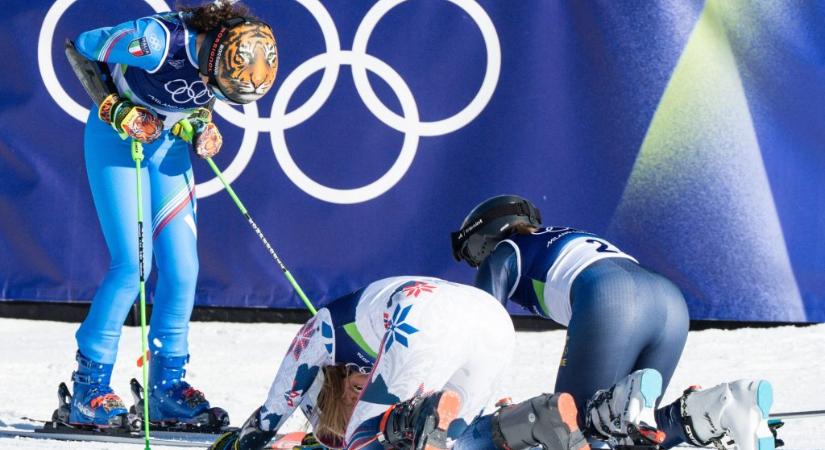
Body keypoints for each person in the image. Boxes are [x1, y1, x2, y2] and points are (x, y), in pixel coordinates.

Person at [64, 0, 279, 429]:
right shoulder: (156, 42)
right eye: (215, 84)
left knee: (183, 270)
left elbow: (199, 97)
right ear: (213, 52)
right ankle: (88, 387)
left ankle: (166, 388)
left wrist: (199, 122)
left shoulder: (224, 56)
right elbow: (81, 48)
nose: (212, 91)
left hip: (168, 149)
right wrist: (117, 109)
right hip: (116, 144)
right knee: (134, 267)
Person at [450, 195, 777, 450]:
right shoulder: (560, 234)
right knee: (632, 430)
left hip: (611, 299)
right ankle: (723, 405)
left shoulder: (503, 252)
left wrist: (463, 413)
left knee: (570, 429)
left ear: (482, 237)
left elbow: (482, 331)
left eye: (471, 254)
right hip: (669, 302)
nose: (475, 262)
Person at [209, 276, 592, 450]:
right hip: (492, 320)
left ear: (327, 390)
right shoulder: (366, 348)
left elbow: (279, 401)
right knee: (458, 441)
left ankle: (413, 418)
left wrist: (248, 440)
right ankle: (537, 418)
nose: (355, 402)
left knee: (369, 437)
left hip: (425, 312)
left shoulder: (323, 331)